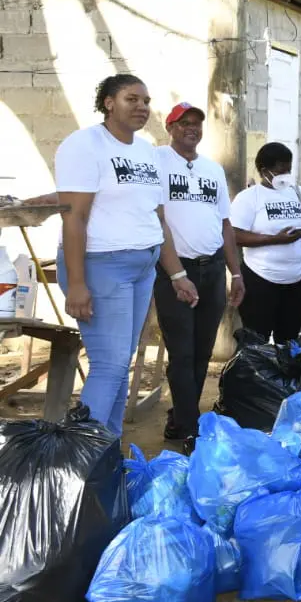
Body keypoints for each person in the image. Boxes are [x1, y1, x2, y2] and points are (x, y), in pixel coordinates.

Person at [55, 74, 199, 435]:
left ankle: (106, 451)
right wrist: (76, 283)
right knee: (109, 364)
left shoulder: (145, 151)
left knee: (121, 363)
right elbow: (74, 218)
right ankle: (81, 458)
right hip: (102, 266)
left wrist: (177, 274)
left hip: (143, 267)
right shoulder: (85, 145)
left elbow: (156, 217)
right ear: (108, 102)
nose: (141, 107)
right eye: (131, 99)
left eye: (146, 101)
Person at [154, 102, 245, 447]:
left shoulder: (212, 170)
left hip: (212, 269)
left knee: (203, 350)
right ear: (171, 126)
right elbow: (157, 218)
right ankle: (192, 429)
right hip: (176, 271)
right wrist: (176, 274)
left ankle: (180, 417)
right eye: (184, 123)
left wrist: (236, 273)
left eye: (196, 124)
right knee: (182, 352)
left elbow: (225, 224)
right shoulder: (157, 161)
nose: (191, 128)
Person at [230, 143, 301, 344]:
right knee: (257, 342)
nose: (285, 175)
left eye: (288, 170)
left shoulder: (297, 192)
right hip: (260, 280)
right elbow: (234, 235)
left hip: (296, 281)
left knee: (289, 341)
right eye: (280, 170)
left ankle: (285, 375)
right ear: (264, 171)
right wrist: (274, 239)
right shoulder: (249, 198)